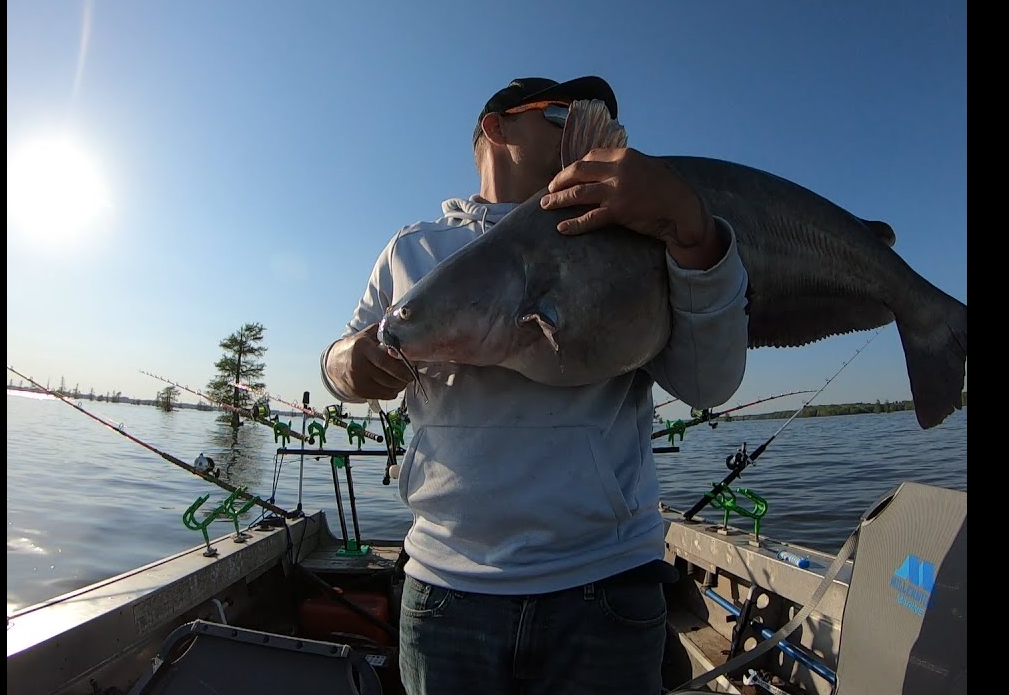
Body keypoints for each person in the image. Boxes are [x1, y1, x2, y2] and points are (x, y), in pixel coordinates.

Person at [320, 76, 750, 695]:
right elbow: (339, 362)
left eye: (588, 115)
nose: (577, 124)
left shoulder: (636, 234)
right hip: (446, 589)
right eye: (558, 113)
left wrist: (692, 234)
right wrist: (349, 362)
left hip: (607, 583)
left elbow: (709, 385)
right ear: (496, 127)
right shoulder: (412, 250)